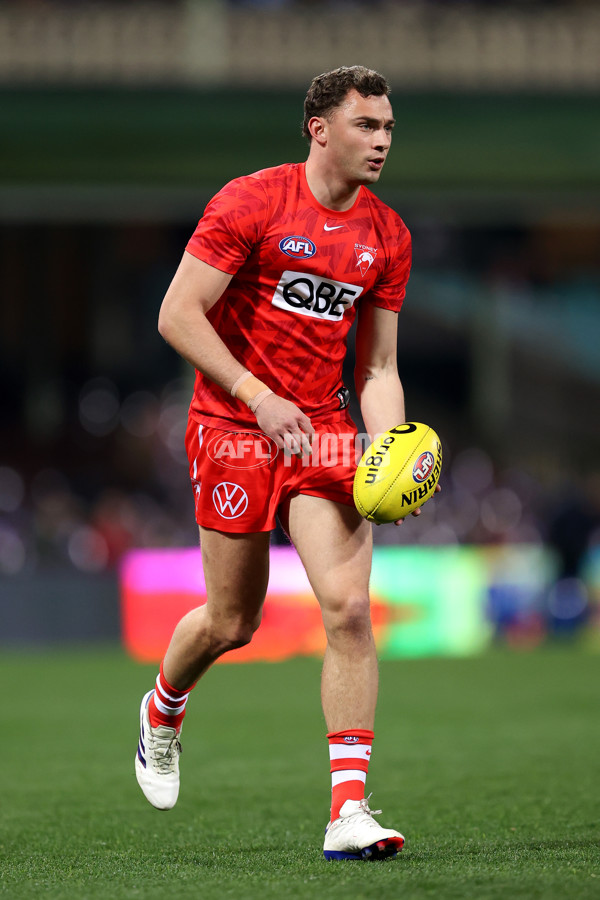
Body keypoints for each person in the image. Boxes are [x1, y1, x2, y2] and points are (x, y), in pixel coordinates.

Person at [135, 65, 427, 861]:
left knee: (350, 610)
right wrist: (257, 395)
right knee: (234, 621)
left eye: (390, 128)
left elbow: (376, 370)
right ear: (320, 129)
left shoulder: (388, 236)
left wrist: (391, 447)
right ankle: (163, 710)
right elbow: (177, 313)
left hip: (323, 433)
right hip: (234, 422)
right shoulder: (251, 201)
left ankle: (348, 811)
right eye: (368, 126)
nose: (382, 142)